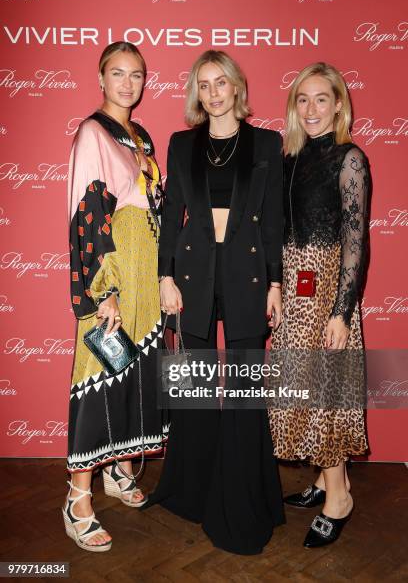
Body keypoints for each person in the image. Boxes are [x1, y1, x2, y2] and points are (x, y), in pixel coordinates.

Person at [143, 50, 285, 555]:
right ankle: (193, 491)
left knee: (247, 391)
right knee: (196, 390)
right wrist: (165, 276)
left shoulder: (267, 143)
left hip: (247, 274)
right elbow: (171, 216)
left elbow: (272, 222)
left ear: (236, 87)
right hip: (193, 272)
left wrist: (275, 283)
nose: (213, 92)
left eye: (220, 82)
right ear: (196, 93)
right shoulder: (181, 145)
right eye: (203, 85)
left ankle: (247, 499)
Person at [64, 42, 168, 551]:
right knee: (97, 375)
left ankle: (120, 471)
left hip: (147, 277)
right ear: (101, 78)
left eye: (137, 75)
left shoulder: (142, 137)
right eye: (118, 74)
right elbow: (88, 216)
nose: (129, 84)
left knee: (132, 374)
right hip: (113, 277)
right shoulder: (91, 133)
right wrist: (101, 292)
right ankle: (77, 497)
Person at [268, 62, 369, 548]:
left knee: (324, 392)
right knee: (301, 387)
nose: (311, 109)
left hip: (327, 285)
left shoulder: (349, 159)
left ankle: (339, 500)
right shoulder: (289, 157)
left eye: (321, 99)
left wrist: (341, 313)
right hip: (292, 281)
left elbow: (355, 243)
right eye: (302, 99)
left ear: (338, 104)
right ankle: (330, 479)